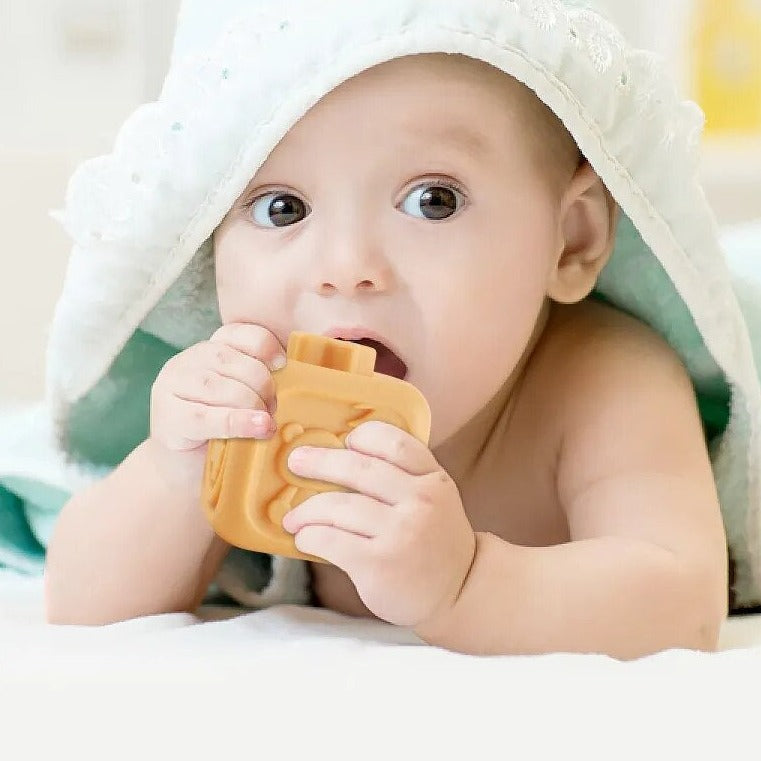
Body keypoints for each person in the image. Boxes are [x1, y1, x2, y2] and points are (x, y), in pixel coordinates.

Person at [43, 49, 728, 659]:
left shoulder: (606, 381)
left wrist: (465, 583)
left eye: (433, 201)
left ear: (571, 237)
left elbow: (684, 604)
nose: (345, 267)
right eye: (282, 208)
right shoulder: (249, 406)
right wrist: (176, 474)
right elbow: (81, 606)